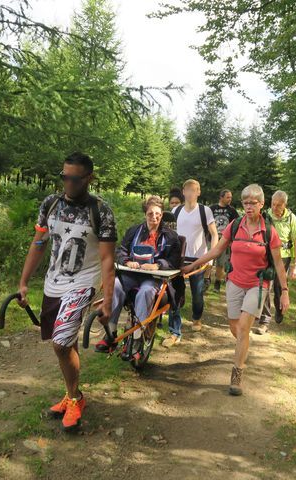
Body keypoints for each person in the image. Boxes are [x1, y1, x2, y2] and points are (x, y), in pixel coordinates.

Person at [17, 152, 116, 432]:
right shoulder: (51, 204)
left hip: (84, 281)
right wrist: (24, 281)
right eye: (64, 177)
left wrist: (108, 300)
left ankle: (75, 399)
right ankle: (70, 392)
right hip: (54, 281)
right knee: (66, 342)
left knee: (60, 343)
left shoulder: (102, 211)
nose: (68, 183)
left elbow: (108, 259)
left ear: (89, 178)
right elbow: (39, 243)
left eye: (75, 178)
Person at [182, 184, 290, 396]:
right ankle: (243, 345)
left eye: (253, 203)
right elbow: (217, 250)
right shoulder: (235, 225)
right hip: (234, 282)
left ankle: (237, 374)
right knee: (235, 327)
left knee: (242, 328)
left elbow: (278, 264)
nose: (249, 206)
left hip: (258, 286)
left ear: (261, 204)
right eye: (245, 202)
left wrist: (284, 291)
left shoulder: (269, 232)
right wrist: (193, 265)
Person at [95, 196, 182, 357]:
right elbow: (120, 250)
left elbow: (174, 260)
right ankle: (111, 333)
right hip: (131, 275)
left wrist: (157, 265)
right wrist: (127, 261)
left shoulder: (171, 236)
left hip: (154, 279)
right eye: (150, 214)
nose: (154, 217)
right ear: (145, 214)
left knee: (146, 292)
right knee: (115, 285)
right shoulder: (133, 231)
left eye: (157, 214)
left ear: (162, 214)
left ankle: (137, 338)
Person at [162, 179, 219, 347]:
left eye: (194, 190)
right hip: (178, 260)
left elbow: (214, 234)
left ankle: (196, 318)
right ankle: (174, 332)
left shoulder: (205, 211)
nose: (191, 193)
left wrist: (210, 258)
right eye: (188, 190)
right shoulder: (176, 210)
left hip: (198, 260)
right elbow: (170, 234)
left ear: (198, 192)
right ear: (183, 192)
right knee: (175, 294)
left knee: (197, 294)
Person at [253, 190, 296, 334]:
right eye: (273, 204)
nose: (275, 207)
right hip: (266, 255)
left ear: (284, 205)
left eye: (278, 205)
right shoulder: (265, 216)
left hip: (284, 257)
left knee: (279, 287)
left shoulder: (291, 218)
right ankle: (264, 321)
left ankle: (279, 310)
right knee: (265, 287)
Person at [208, 189, 239, 292]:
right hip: (211, 239)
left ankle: (217, 283)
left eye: (231, 197)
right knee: (208, 260)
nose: (230, 199)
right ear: (221, 197)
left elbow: (237, 226)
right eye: (228, 197)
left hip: (225, 241)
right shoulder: (211, 209)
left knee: (221, 263)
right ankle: (206, 280)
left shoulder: (232, 211)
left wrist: (233, 240)